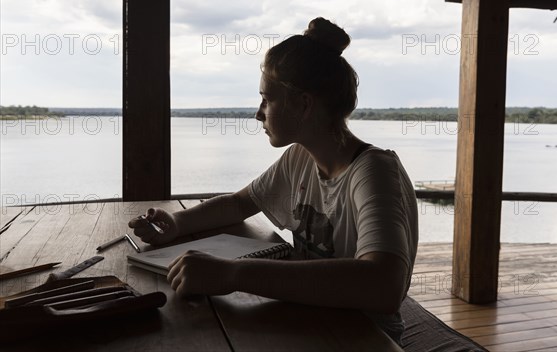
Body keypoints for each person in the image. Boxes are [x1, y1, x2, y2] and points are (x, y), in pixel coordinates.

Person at [129, 17, 418, 345]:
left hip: (364, 338)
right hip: (311, 321)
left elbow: (383, 286)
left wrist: (232, 274)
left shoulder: (374, 173)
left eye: (267, 98)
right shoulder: (301, 159)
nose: (258, 112)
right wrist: (176, 223)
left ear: (303, 104)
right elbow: (240, 203)